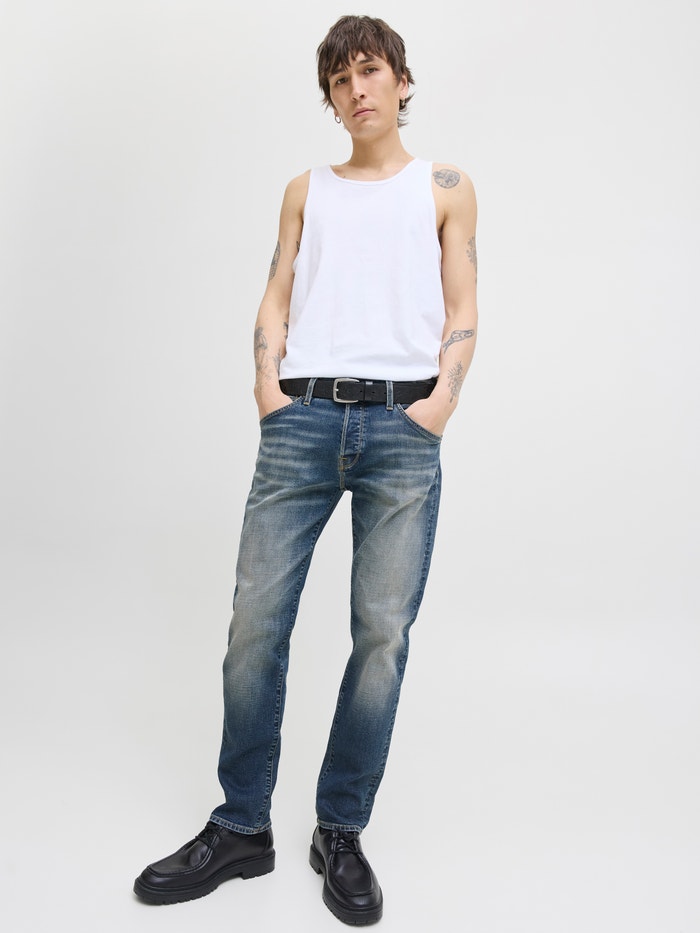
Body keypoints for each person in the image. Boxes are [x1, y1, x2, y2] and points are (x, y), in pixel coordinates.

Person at [133, 14, 478, 925]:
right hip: (303, 418)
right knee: (256, 622)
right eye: (339, 81)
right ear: (330, 99)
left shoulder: (445, 187)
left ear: (402, 80)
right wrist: (267, 388)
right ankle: (241, 824)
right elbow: (277, 291)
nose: (357, 90)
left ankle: (341, 828)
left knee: (382, 634)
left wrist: (439, 405)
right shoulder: (305, 190)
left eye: (370, 71)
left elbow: (463, 304)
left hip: (404, 425)